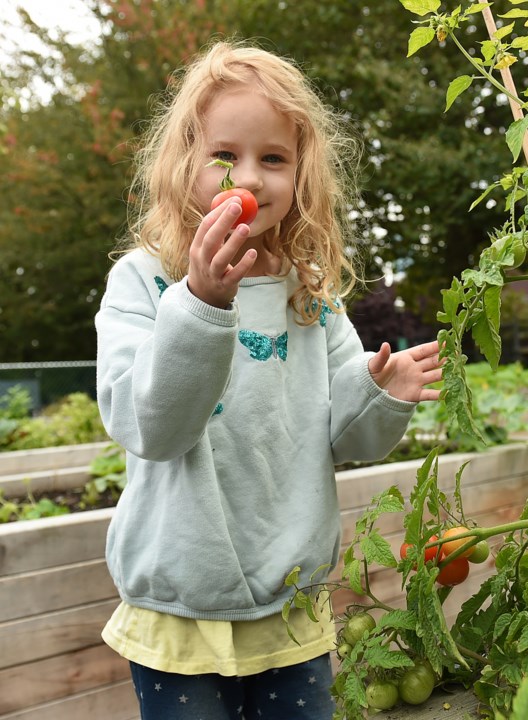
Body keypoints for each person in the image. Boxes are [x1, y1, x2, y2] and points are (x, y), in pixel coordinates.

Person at [95, 40, 442, 720]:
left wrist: (381, 393)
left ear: (302, 174)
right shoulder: (144, 283)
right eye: (225, 155)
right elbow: (154, 430)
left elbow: (346, 439)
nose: (249, 178)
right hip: (180, 606)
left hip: (290, 603)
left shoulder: (310, 301)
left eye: (273, 158)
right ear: (183, 163)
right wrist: (199, 301)